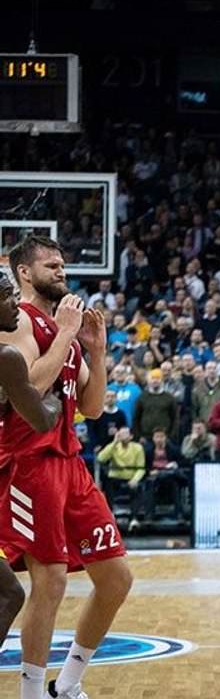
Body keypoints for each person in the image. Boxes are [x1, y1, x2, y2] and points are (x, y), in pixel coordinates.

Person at [0, 236, 133, 699]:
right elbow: (26, 389)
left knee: (116, 578)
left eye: (62, 265)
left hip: (71, 463)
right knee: (50, 578)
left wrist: (94, 351)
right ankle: (31, 693)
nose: (61, 271)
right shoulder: (16, 322)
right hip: (28, 463)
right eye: (51, 265)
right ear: (23, 272)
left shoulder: (64, 329)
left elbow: (93, 408)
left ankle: (68, 683)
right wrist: (64, 334)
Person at [0, 273, 64, 677]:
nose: (15, 306)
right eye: (8, 297)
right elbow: (40, 419)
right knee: (8, 595)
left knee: (8, 593)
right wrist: (55, 404)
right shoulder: (6, 358)